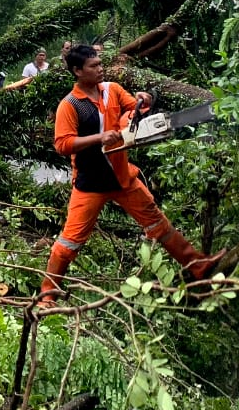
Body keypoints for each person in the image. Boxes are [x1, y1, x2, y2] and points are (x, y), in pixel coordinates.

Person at [41, 45, 223, 304]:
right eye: (94, 66)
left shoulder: (112, 90)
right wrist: (99, 138)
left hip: (122, 177)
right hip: (90, 184)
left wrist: (143, 100)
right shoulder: (70, 105)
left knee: (157, 222)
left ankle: (197, 265)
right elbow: (62, 144)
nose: (100, 69)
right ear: (78, 71)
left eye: (100, 64)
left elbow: (133, 109)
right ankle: (47, 294)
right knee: (70, 242)